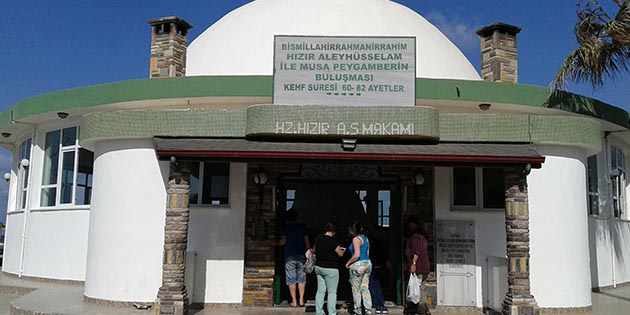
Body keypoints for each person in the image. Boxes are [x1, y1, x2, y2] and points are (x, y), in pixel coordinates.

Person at [273, 208, 310, 307]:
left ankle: (294, 301)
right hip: (301, 255)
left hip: (289, 256)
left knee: (291, 279)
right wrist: (308, 253)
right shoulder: (302, 228)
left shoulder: (285, 228)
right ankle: (301, 300)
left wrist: (274, 243)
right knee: (302, 278)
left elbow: (283, 242)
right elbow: (307, 242)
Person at [311, 222, 345, 315]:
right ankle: (331, 312)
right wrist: (342, 250)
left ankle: (319, 312)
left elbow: (314, 250)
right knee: (332, 292)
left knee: (320, 291)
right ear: (333, 231)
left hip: (319, 267)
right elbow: (340, 254)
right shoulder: (333, 240)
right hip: (331, 268)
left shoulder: (318, 238)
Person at [404, 216, 430, 315]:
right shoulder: (423, 235)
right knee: (421, 287)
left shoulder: (415, 236)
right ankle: (422, 309)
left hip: (419, 266)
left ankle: (420, 308)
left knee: (417, 288)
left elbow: (416, 251)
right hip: (424, 266)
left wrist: (413, 264)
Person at [345, 221, 373, 315]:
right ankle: (368, 309)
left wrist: (348, 263)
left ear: (352, 230)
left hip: (358, 264)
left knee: (356, 289)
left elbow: (357, 255)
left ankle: (357, 310)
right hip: (367, 263)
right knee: (365, 287)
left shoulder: (355, 239)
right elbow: (367, 252)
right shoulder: (365, 238)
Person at [368, 233, 390, 314]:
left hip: (372, 264)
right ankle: (380, 302)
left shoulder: (367, 243)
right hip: (377, 264)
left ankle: (376, 303)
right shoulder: (376, 243)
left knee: (372, 284)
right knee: (376, 283)